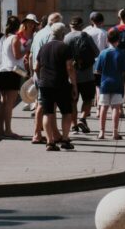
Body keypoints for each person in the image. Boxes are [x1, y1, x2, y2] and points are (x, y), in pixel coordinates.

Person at [35, 22, 78, 151]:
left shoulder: (43, 48)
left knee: (48, 113)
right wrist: (74, 85)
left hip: (45, 84)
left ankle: (50, 142)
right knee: (66, 112)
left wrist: (41, 78)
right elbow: (70, 67)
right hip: (61, 84)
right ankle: (65, 140)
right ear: (63, 34)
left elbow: (36, 67)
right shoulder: (65, 47)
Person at [30, 11, 62, 144]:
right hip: (47, 74)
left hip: (38, 73)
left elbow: (31, 55)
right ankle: (37, 134)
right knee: (44, 105)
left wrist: (32, 73)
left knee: (45, 104)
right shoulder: (50, 35)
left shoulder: (38, 33)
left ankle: (54, 133)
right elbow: (52, 55)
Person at [64, 17, 98, 134]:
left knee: (73, 101)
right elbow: (97, 52)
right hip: (87, 74)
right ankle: (82, 118)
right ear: (81, 25)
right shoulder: (86, 36)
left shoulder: (66, 38)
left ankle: (74, 126)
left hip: (71, 76)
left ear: (70, 26)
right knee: (88, 99)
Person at [94, 27, 125, 139]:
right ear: (118, 40)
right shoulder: (121, 53)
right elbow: (124, 70)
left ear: (108, 40)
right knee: (115, 108)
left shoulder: (103, 53)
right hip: (117, 83)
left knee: (103, 107)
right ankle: (115, 132)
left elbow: (98, 70)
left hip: (104, 83)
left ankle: (101, 132)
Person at [0, 15, 25, 138]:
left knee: (3, 102)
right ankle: (8, 129)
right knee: (10, 103)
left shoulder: (3, 38)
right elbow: (17, 55)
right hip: (13, 72)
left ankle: (0, 130)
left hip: (2, 70)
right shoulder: (15, 38)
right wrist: (27, 48)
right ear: (18, 26)